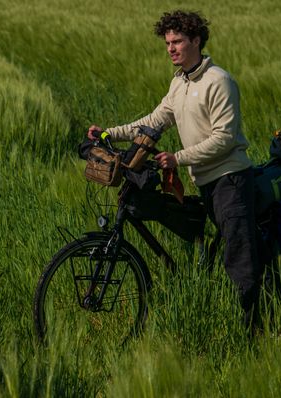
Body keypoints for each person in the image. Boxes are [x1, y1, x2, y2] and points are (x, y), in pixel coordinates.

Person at [87, 10, 262, 332]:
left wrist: (177, 158)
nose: (170, 48)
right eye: (167, 42)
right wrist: (108, 133)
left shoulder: (218, 81)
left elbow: (224, 138)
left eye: (177, 41)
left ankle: (255, 332)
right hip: (205, 181)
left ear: (196, 40)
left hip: (230, 180)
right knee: (211, 247)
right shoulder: (179, 83)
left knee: (239, 260)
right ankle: (217, 306)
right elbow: (153, 122)